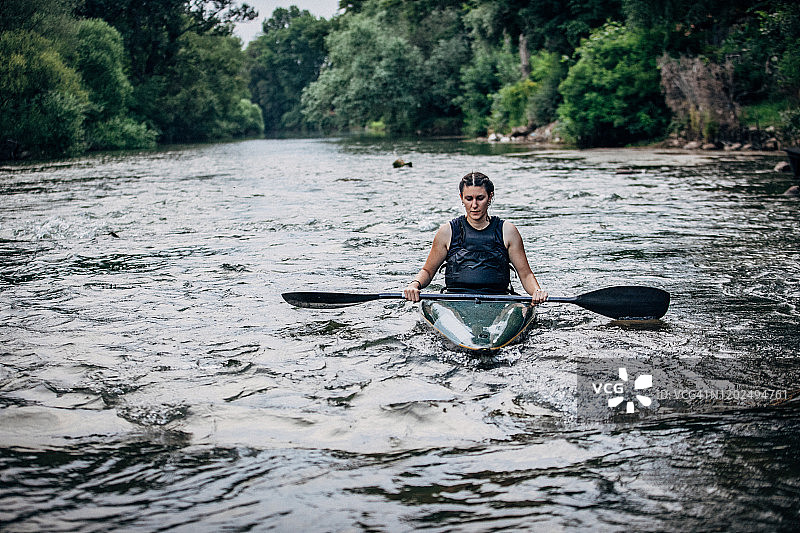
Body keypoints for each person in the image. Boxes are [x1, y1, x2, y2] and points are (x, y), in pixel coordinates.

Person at [403, 171, 548, 305]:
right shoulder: (447, 232)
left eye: (480, 198)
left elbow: (525, 274)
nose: (474, 205)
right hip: (455, 300)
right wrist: (414, 284)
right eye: (468, 199)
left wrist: (536, 291)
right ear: (461, 198)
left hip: (499, 301)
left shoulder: (508, 231)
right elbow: (428, 271)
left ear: (490, 197)